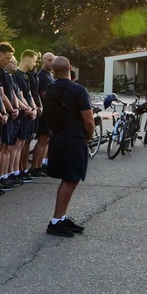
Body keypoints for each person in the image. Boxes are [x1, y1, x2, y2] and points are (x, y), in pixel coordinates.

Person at [41, 56, 92, 237]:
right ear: (70, 67)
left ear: (53, 71)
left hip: (57, 138)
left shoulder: (50, 89)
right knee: (70, 180)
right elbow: (88, 119)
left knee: (68, 179)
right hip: (73, 139)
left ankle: (61, 218)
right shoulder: (78, 90)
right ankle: (55, 221)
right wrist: (89, 136)